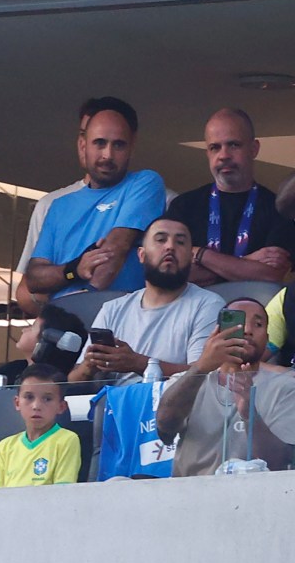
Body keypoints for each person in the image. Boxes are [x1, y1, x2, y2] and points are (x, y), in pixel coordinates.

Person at [25, 97, 166, 299]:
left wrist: (80, 305)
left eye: (118, 145)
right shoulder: (59, 206)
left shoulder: (145, 183)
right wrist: (74, 269)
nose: (107, 154)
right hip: (62, 324)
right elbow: (34, 278)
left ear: (132, 147)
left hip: (117, 325)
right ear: (83, 146)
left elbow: (114, 251)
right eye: (99, 143)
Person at [68, 217, 223, 385]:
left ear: (190, 256)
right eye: (161, 240)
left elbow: (203, 375)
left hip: (175, 408)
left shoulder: (208, 305)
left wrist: (138, 363)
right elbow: (72, 382)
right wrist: (89, 367)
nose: (170, 246)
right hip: (113, 406)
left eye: (180, 242)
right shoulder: (113, 309)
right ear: (141, 255)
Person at [157, 298, 295, 476]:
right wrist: (200, 367)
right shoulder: (187, 381)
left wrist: (249, 414)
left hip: (257, 497)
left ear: (267, 338)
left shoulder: (286, 387)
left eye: (258, 324)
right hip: (190, 495)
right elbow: (165, 430)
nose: (247, 330)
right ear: (217, 333)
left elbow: (281, 464)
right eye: (238, 323)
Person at [167, 108, 295, 285]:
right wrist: (247, 263)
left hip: (254, 310)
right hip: (193, 311)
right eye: (215, 147)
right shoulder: (183, 206)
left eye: (233, 145)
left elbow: (270, 275)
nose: (223, 155)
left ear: (254, 149)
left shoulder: (279, 208)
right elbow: (172, 273)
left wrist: (200, 254)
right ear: (207, 154)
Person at [14, 98, 96, 316]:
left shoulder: (159, 198)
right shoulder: (51, 204)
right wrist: (69, 276)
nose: (85, 143)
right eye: (82, 134)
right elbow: (25, 291)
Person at [0, 364, 81, 487]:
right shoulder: (6, 446)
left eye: (47, 399)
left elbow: (63, 493)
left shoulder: (67, 440)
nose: (36, 406)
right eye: (29, 397)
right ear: (17, 403)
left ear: (61, 407)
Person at [0, 303, 87, 389]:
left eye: (32, 327)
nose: (25, 329)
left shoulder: (54, 380)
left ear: (47, 339)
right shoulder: (15, 368)